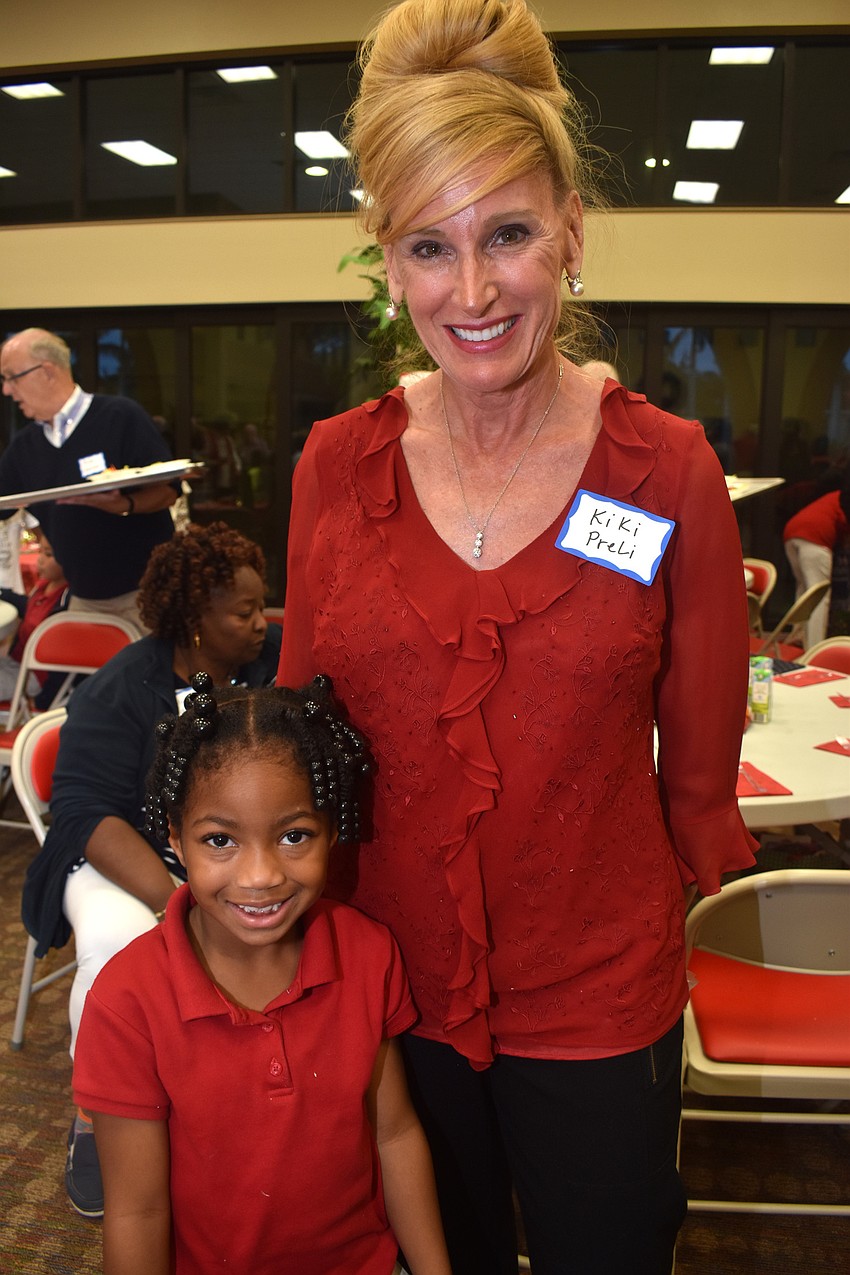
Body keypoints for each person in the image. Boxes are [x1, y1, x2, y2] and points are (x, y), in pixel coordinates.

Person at [279, 3, 758, 1272]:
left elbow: (698, 782)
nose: (473, 291)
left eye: (507, 235)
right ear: (387, 260)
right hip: (389, 995)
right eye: (430, 246)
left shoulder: (662, 477)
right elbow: (296, 746)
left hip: (599, 1004)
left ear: (572, 234)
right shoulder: (338, 468)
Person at [72, 676, 452, 1275]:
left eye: (294, 836)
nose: (260, 876)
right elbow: (136, 1214)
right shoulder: (127, 1001)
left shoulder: (367, 952)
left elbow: (395, 1135)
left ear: (332, 832)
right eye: (220, 840)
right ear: (175, 839)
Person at [21, 521, 281, 1221]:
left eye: (263, 606)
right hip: (127, 859)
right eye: (244, 612)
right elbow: (82, 810)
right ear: (195, 621)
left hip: (236, 857)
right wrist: (177, 898)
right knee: (123, 946)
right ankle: (93, 1113)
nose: (262, 623)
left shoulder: (273, 663)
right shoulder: (123, 685)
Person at [0, 328, 178, 630]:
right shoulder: (25, 446)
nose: (6, 390)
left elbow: (169, 491)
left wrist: (124, 504)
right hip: (83, 598)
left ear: (46, 372)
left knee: (153, 677)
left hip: (146, 594)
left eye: (11, 377)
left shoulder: (120, 417)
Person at [0, 530, 70, 707]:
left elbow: (62, 664)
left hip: (34, 677)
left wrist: (42, 701)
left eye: (48, 554)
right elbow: (28, 606)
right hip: (16, 662)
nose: (40, 559)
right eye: (40, 551)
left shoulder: (65, 603)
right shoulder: (44, 586)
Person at [783, 482, 850, 647]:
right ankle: (815, 648)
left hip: (791, 534)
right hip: (815, 538)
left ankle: (798, 636)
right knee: (820, 595)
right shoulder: (844, 500)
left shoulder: (835, 496)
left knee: (805, 589)